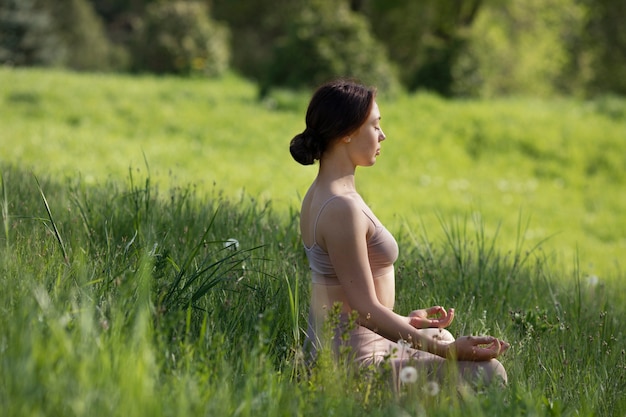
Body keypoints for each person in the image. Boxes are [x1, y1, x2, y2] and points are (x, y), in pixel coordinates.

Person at [290, 79, 508, 388]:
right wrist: (448, 352)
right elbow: (365, 310)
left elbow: (348, 300)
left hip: (359, 346)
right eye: (374, 125)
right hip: (351, 367)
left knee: (439, 333)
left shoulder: (321, 193)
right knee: (488, 372)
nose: (382, 135)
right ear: (347, 133)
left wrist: (409, 322)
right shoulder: (341, 208)